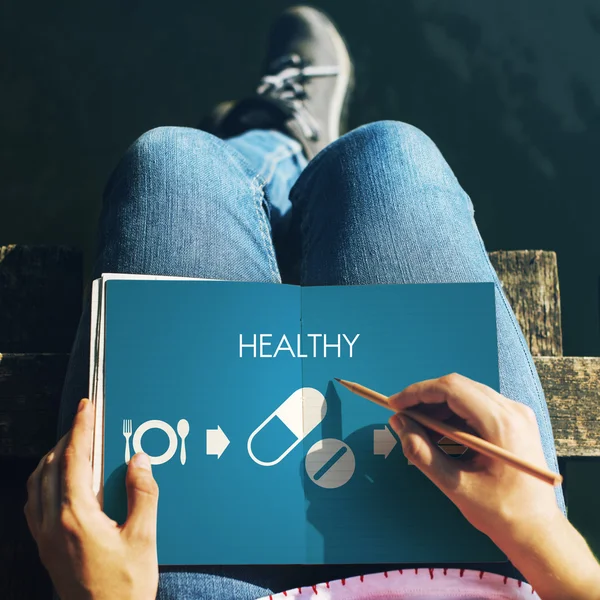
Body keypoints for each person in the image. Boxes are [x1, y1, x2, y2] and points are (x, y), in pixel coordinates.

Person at [23, 6, 600, 600]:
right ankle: (284, 154)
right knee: (389, 155)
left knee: (173, 163)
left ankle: (266, 149)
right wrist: (546, 536)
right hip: (470, 577)